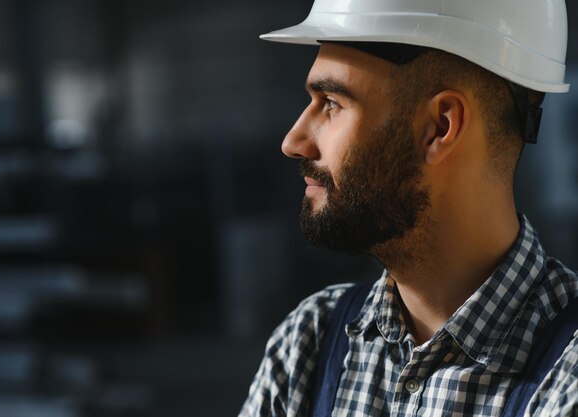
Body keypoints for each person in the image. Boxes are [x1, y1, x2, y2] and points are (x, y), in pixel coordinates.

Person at [239, 0, 578, 416]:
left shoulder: (568, 376)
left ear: (440, 127)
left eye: (331, 102)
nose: (293, 141)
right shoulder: (308, 343)